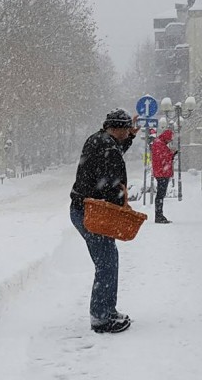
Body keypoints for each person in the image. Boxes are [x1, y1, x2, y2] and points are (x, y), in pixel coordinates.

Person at [70, 108, 140, 334]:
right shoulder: (107, 147)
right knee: (107, 262)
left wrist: (130, 137)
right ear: (117, 129)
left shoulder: (99, 140)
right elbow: (111, 184)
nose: (127, 132)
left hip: (85, 209)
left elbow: (116, 152)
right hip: (92, 212)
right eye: (126, 129)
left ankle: (106, 310)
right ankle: (101, 317)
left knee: (107, 259)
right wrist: (123, 205)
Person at [151, 129, 177, 224]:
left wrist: (171, 154)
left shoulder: (159, 143)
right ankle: (159, 216)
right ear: (166, 137)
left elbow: (163, 156)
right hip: (162, 173)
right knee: (160, 195)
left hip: (161, 172)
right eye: (169, 139)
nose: (169, 141)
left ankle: (159, 215)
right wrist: (172, 153)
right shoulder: (160, 144)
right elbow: (164, 157)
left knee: (161, 195)